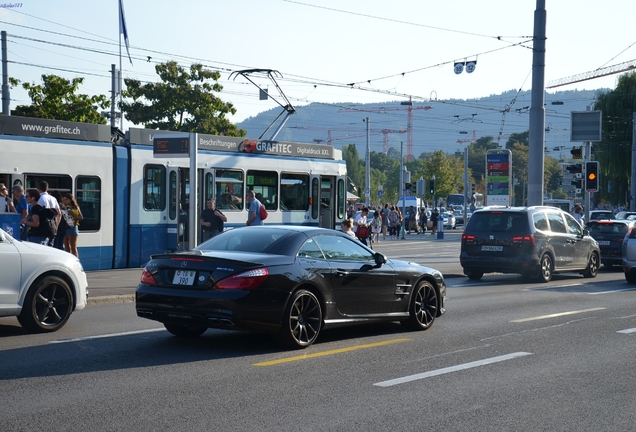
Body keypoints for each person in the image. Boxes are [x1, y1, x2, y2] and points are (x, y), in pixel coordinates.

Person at [62, 193, 83, 257]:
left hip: (73, 227)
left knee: (73, 246)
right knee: (67, 246)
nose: (65, 201)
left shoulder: (75, 207)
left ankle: (76, 260)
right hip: (65, 227)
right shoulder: (64, 207)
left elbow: (81, 217)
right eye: (64, 200)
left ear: (71, 200)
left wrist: (72, 218)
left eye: (66, 199)